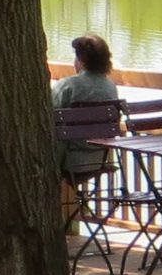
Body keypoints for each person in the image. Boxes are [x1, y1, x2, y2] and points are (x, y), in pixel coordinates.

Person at [52, 32, 122, 176]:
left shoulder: (68, 86)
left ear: (81, 60)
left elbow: (47, 115)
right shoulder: (110, 87)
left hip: (68, 161)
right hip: (98, 159)